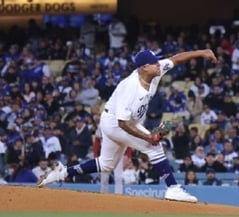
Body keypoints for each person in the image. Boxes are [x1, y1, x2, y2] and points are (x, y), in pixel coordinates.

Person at [38, 49, 217, 202]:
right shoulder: (131, 88)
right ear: (143, 67)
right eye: (154, 63)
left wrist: (202, 52)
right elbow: (122, 124)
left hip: (118, 120)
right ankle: (173, 188)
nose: (159, 65)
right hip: (116, 122)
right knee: (154, 147)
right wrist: (148, 137)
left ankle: (61, 173)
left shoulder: (155, 70)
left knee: (106, 164)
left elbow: (176, 59)